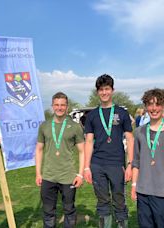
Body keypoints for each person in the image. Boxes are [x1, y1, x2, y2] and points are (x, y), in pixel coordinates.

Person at [83, 74, 134, 228]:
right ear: (97, 92)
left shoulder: (122, 113)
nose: (104, 92)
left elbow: (130, 139)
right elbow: (89, 141)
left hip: (117, 164)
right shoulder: (92, 115)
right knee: (102, 202)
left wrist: (130, 164)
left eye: (107, 89)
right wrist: (86, 167)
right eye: (101, 90)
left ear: (112, 90)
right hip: (97, 165)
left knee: (119, 201)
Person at [131, 88, 164, 228]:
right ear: (145, 107)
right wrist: (134, 185)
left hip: (163, 191)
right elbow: (136, 161)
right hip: (143, 190)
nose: (154, 108)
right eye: (150, 104)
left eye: (158, 104)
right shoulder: (139, 131)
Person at [35, 92, 85, 228]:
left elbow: (82, 151)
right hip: (48, 176)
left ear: (67, 107)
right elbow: (39, 149)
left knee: (69, 210)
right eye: (56, 105)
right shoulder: (44, 126)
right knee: (48, 212)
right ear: (52, 106)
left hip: (68, 176)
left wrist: (80, 174)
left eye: (62, 105)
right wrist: (38, 173)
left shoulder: (75, 127)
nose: (59, 108)